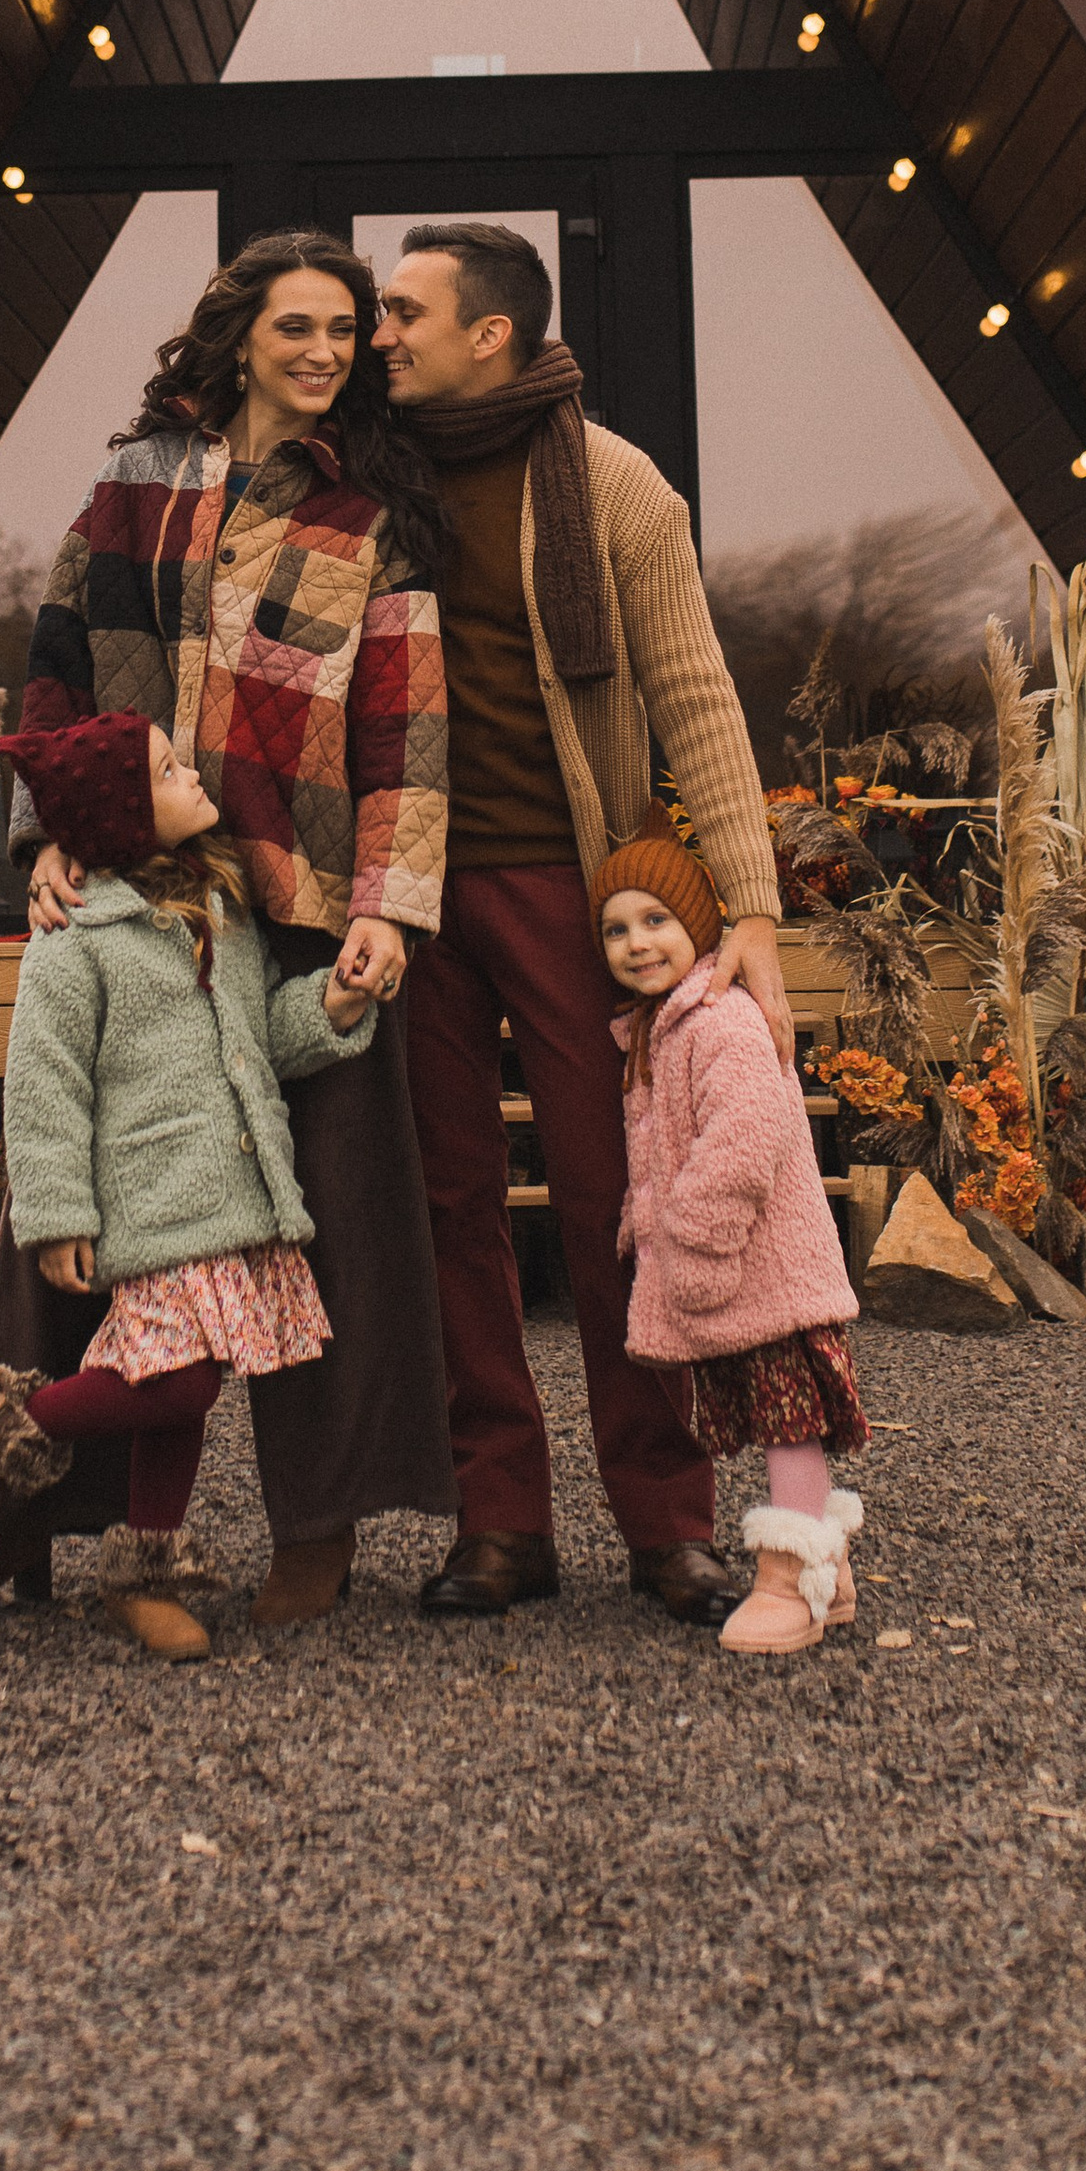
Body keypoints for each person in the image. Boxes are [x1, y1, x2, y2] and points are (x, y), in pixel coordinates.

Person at [0, 232, 454, 1638]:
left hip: (304, 918)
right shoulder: (137, 486)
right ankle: (6, 1528)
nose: (325, 353)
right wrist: (52, 835)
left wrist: (389, 908)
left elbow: (407, 730)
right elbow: (53, 671)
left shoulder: (372, 513)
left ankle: (315, 1533)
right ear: (237, 336)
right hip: (133, 900)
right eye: (297, 328)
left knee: (328, 1243)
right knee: (60, 1218)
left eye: (345, 332)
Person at [375, 220, 794, 1628]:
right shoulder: (366, 485)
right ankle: (501, 1522)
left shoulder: (615, 487)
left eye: (404, 313)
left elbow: (694, 692)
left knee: (625, 1204)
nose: (381, 336)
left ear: (488, 331)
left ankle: (667, 1522)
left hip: (569, 884)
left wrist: (755, 914)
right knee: (453, 1216)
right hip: (409, 897)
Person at [0, 708, 378, 1667]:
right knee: (173, 1383)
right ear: (126, 818)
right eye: (170, 771)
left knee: (186, 1395)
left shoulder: (223, 909)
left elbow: (258, 1037)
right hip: (153, 1196)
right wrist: (53, 1214)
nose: (194, 775)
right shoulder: (75, 936)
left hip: (236, 1196)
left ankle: (146, 1574)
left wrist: (329, 1008)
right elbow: (41, 1083)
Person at [594, 830, 866, 1656]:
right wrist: (645, 1221)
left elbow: (747, 1136)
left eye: (656, 920)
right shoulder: (659, 1029)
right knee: (771, 1411)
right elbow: (663, 1151)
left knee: (790, 1420)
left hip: (766, 1269)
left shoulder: (722, 1019)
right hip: (737, 1265)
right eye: (616, 929)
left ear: (701, 925)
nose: (637, 943)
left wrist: (694, 1237)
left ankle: (791, 1577)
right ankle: (831, 1569)